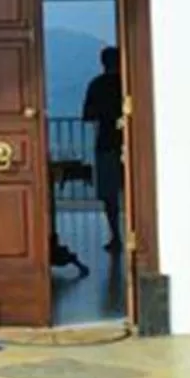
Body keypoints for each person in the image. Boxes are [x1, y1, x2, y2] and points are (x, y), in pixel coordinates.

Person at [80, 46, 125, 254]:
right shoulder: (128, 83)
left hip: (106, 143)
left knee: (109, 195)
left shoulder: (96, 85)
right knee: (134, 190)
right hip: (130, 142)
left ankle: (116, 235)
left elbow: (88, 114)